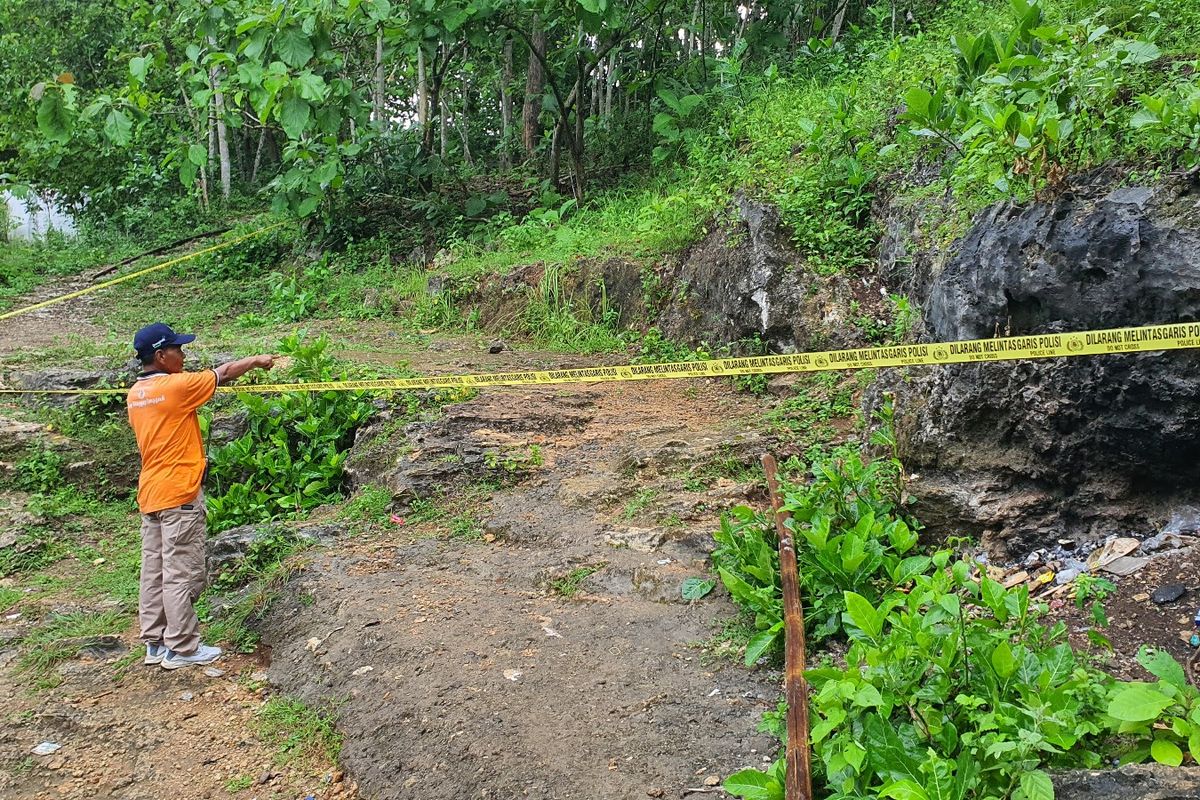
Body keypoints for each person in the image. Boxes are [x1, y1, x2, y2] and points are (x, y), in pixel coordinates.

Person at [126, 323, 276, 670]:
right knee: (181, 571)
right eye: (177, 349)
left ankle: (155, 643)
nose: (183, 354)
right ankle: (182, 647)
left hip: (151, 492)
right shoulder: (177, 386)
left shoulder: (136, 393)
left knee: (154, 570)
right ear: (160, 356)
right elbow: (224, 372)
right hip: (180, 493)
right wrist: (256, 360)